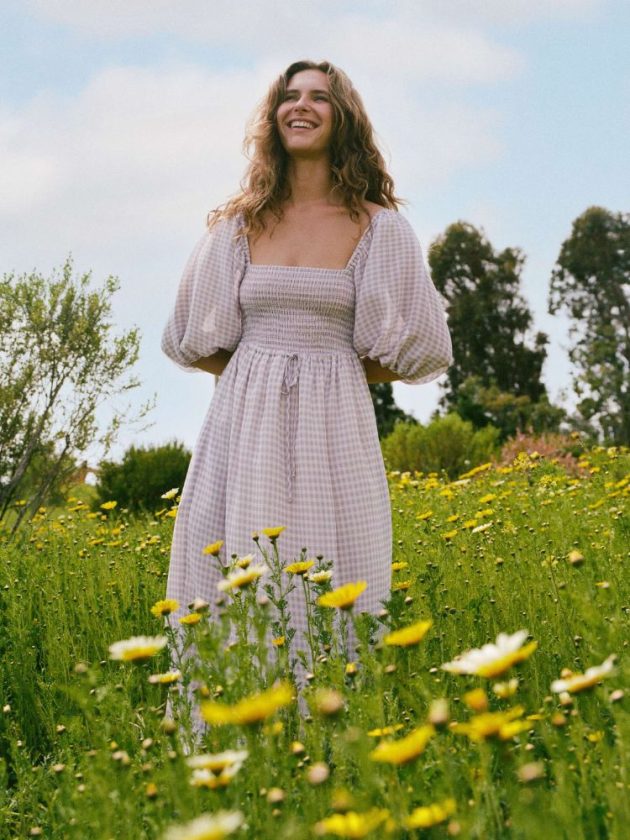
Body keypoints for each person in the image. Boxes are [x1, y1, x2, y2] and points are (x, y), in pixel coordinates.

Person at [161, 59, 452, 691]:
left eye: (319, 97)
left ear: (341, 116)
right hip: (243, 427)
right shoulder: (238, 225)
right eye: (289, 96)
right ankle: (231, 727)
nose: (302, 106)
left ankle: (330, 738)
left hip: (335, 427)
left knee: (335, 567)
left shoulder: (380, 227)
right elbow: (190, 337)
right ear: (273, 118)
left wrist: (333, 372)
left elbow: (423, 348)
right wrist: (261, 373)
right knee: (241, 568)